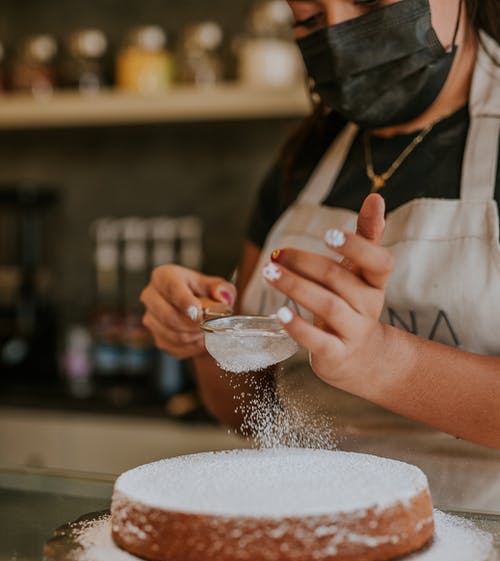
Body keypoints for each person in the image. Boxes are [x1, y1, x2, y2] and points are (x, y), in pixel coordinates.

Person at [141, 0, 500, 450]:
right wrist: (208, 335)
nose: (337, 36)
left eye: (368, 1)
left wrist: (381, 361)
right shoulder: (305, 159)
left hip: (479, 516)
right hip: (304, 510)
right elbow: (247, 413)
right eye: (309, 18)